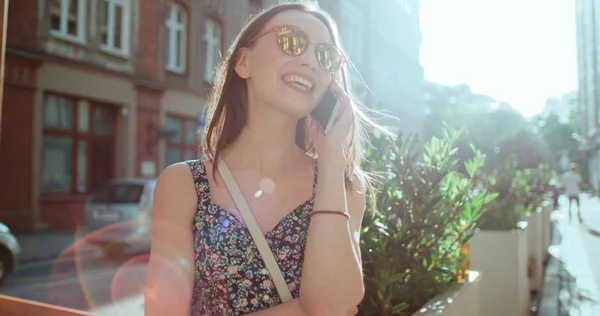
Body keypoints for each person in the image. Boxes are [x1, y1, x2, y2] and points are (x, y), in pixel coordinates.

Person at [144, 2, 387, 315]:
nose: (312, 61)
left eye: (325, 55)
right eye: (291, 40)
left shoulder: (345, 186)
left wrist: (330, 157)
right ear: (243, 62)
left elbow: (331, 305)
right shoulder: (183, 184)